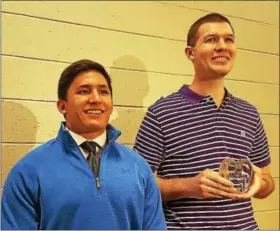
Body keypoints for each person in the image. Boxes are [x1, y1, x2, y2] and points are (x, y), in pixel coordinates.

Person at [133, 13, 275, 230]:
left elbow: (268, 182)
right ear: (190, 53)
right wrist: (189, 186)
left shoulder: (249, 113)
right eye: (211, 39)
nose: (222, 46)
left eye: (229, 39)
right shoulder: (161, 113)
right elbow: (137, 186)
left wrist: (258, 184)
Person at [1, 59, 167, 230]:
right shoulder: (28, 171)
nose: (95, 99)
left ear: (111, 105)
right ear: (62, 105)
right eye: (83, 91)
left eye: (103, 92)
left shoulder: (138, 167)